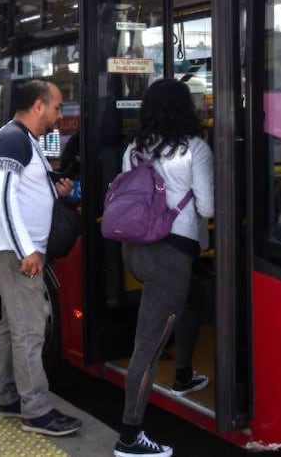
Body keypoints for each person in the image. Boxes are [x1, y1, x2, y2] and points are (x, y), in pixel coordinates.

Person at [114, 78, 214, 457]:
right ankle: (129, 437)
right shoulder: (195, 149)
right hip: (170, 256)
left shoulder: (134, 149)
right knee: (149, 346)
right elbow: (207, 208)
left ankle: (185, 374)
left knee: (196, 297)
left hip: (135, 250)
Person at [0, 79, 81, 437]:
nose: (59, 114)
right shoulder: (13, 139)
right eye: (56, 106)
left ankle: (3, 397)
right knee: (29, 331)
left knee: (13, 326)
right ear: (38, 106)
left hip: (13, 248)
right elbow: (4, 199)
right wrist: (27, 250)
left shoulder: (24, 139)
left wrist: (54, 190)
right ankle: (36, 411)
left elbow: (22, 190)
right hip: (13, 251)